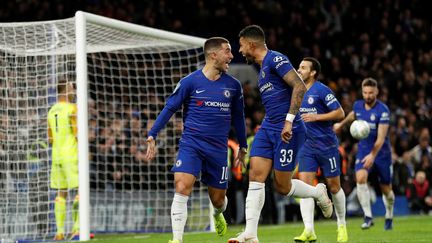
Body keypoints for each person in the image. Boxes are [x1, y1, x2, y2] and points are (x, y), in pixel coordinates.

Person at [228, 25, 333, 243]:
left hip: (289, 129)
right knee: (255, 176)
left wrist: (289, 121)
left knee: (282, 186)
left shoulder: (276, 59)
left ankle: (317, 192)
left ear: (251, 44)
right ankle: (251, 234)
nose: (240, 51)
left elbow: (299, 86)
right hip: (268, 127)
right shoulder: (262, 69)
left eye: (241, 46)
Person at [145, 37, 248, 243]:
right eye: (227, 51)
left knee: (218, 201)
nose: (231, 56)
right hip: (191, 144)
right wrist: (152, 134)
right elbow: (169, 108)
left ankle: (219, 214)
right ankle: (177, 239)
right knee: (182, 186)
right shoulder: (189, 82)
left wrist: (243, 146)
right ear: (213, 55)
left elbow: (238, 117)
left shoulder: (234, 86)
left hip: (218, 149)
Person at [294, 57, 348, 243]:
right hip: (306, 147)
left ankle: (341, 225)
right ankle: (309, 230)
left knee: (335, 187)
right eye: (299, 67)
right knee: (306, 189)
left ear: (313, 72)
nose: (298, 70)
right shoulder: (296, 91)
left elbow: (340, 113)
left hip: (326, 146)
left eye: (303, 67)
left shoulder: (322, 90)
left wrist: (317, 117)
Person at [334, 77, 395, 230]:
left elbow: (381, 138)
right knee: (360, 179)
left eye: (371, 93)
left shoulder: (383, 110)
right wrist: (341, 124)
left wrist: (373, 155)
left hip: (381, 153)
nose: (368, 96)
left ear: (377, 92)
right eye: (365, 92)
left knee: (386, 189)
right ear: (362, 92)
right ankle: (368, 216)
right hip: (364, 150)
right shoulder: (358, 106)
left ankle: (389, 214)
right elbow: (353, 114)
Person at [47, 80, 80, 240]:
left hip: (56, 155)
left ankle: (59, 232)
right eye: (72, 88)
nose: (74, 90)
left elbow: (50, 138)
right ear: (66, 90)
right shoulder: (72, 108)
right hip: (71, 154)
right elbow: (77, 133)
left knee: (61, 193)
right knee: (80, 190)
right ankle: (77, 229)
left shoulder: (51, 110)